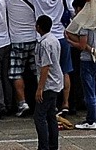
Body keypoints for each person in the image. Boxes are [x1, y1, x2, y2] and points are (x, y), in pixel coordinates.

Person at [64, 0, 96, 130]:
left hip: (88, 59)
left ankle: (90, 120)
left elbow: (82, 46)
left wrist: (70, 42)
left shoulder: (84, 24)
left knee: (89, 91)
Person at [33, 15, 63, 150]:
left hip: (49, 84)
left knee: (39, 116)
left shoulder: (44, 43)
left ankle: (43, 146)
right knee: (51, 115)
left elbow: (45, 66)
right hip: (56, 81)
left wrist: (40, 88)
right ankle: (53, 145)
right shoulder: (54, 39)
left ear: (38, 27)